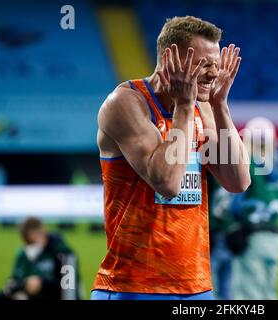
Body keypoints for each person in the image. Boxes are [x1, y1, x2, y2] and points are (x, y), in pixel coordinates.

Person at [91, 16, 250, 300]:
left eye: (216, 64)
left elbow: (238, 180)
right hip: (135, 286)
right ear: (171, 59)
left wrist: (220, 105)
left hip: (196, 286)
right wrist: (185, 107)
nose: (214, 74)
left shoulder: (205, 106)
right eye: (205, 64)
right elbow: (168, 182)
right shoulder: (127, 104)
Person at [231, 117, 278, 300]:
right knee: (270, 292)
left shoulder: (247, 166)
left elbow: (236, 207)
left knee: (249, 294)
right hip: (276, 238)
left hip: (252, 238)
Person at [0, 217, 81, 300]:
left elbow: (70, 291)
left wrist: (42, 283)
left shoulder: (64, 253)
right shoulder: (23, 254)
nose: (30, 245)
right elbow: (15, 279)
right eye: (27, 241)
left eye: (32, 239)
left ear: (42, 232)